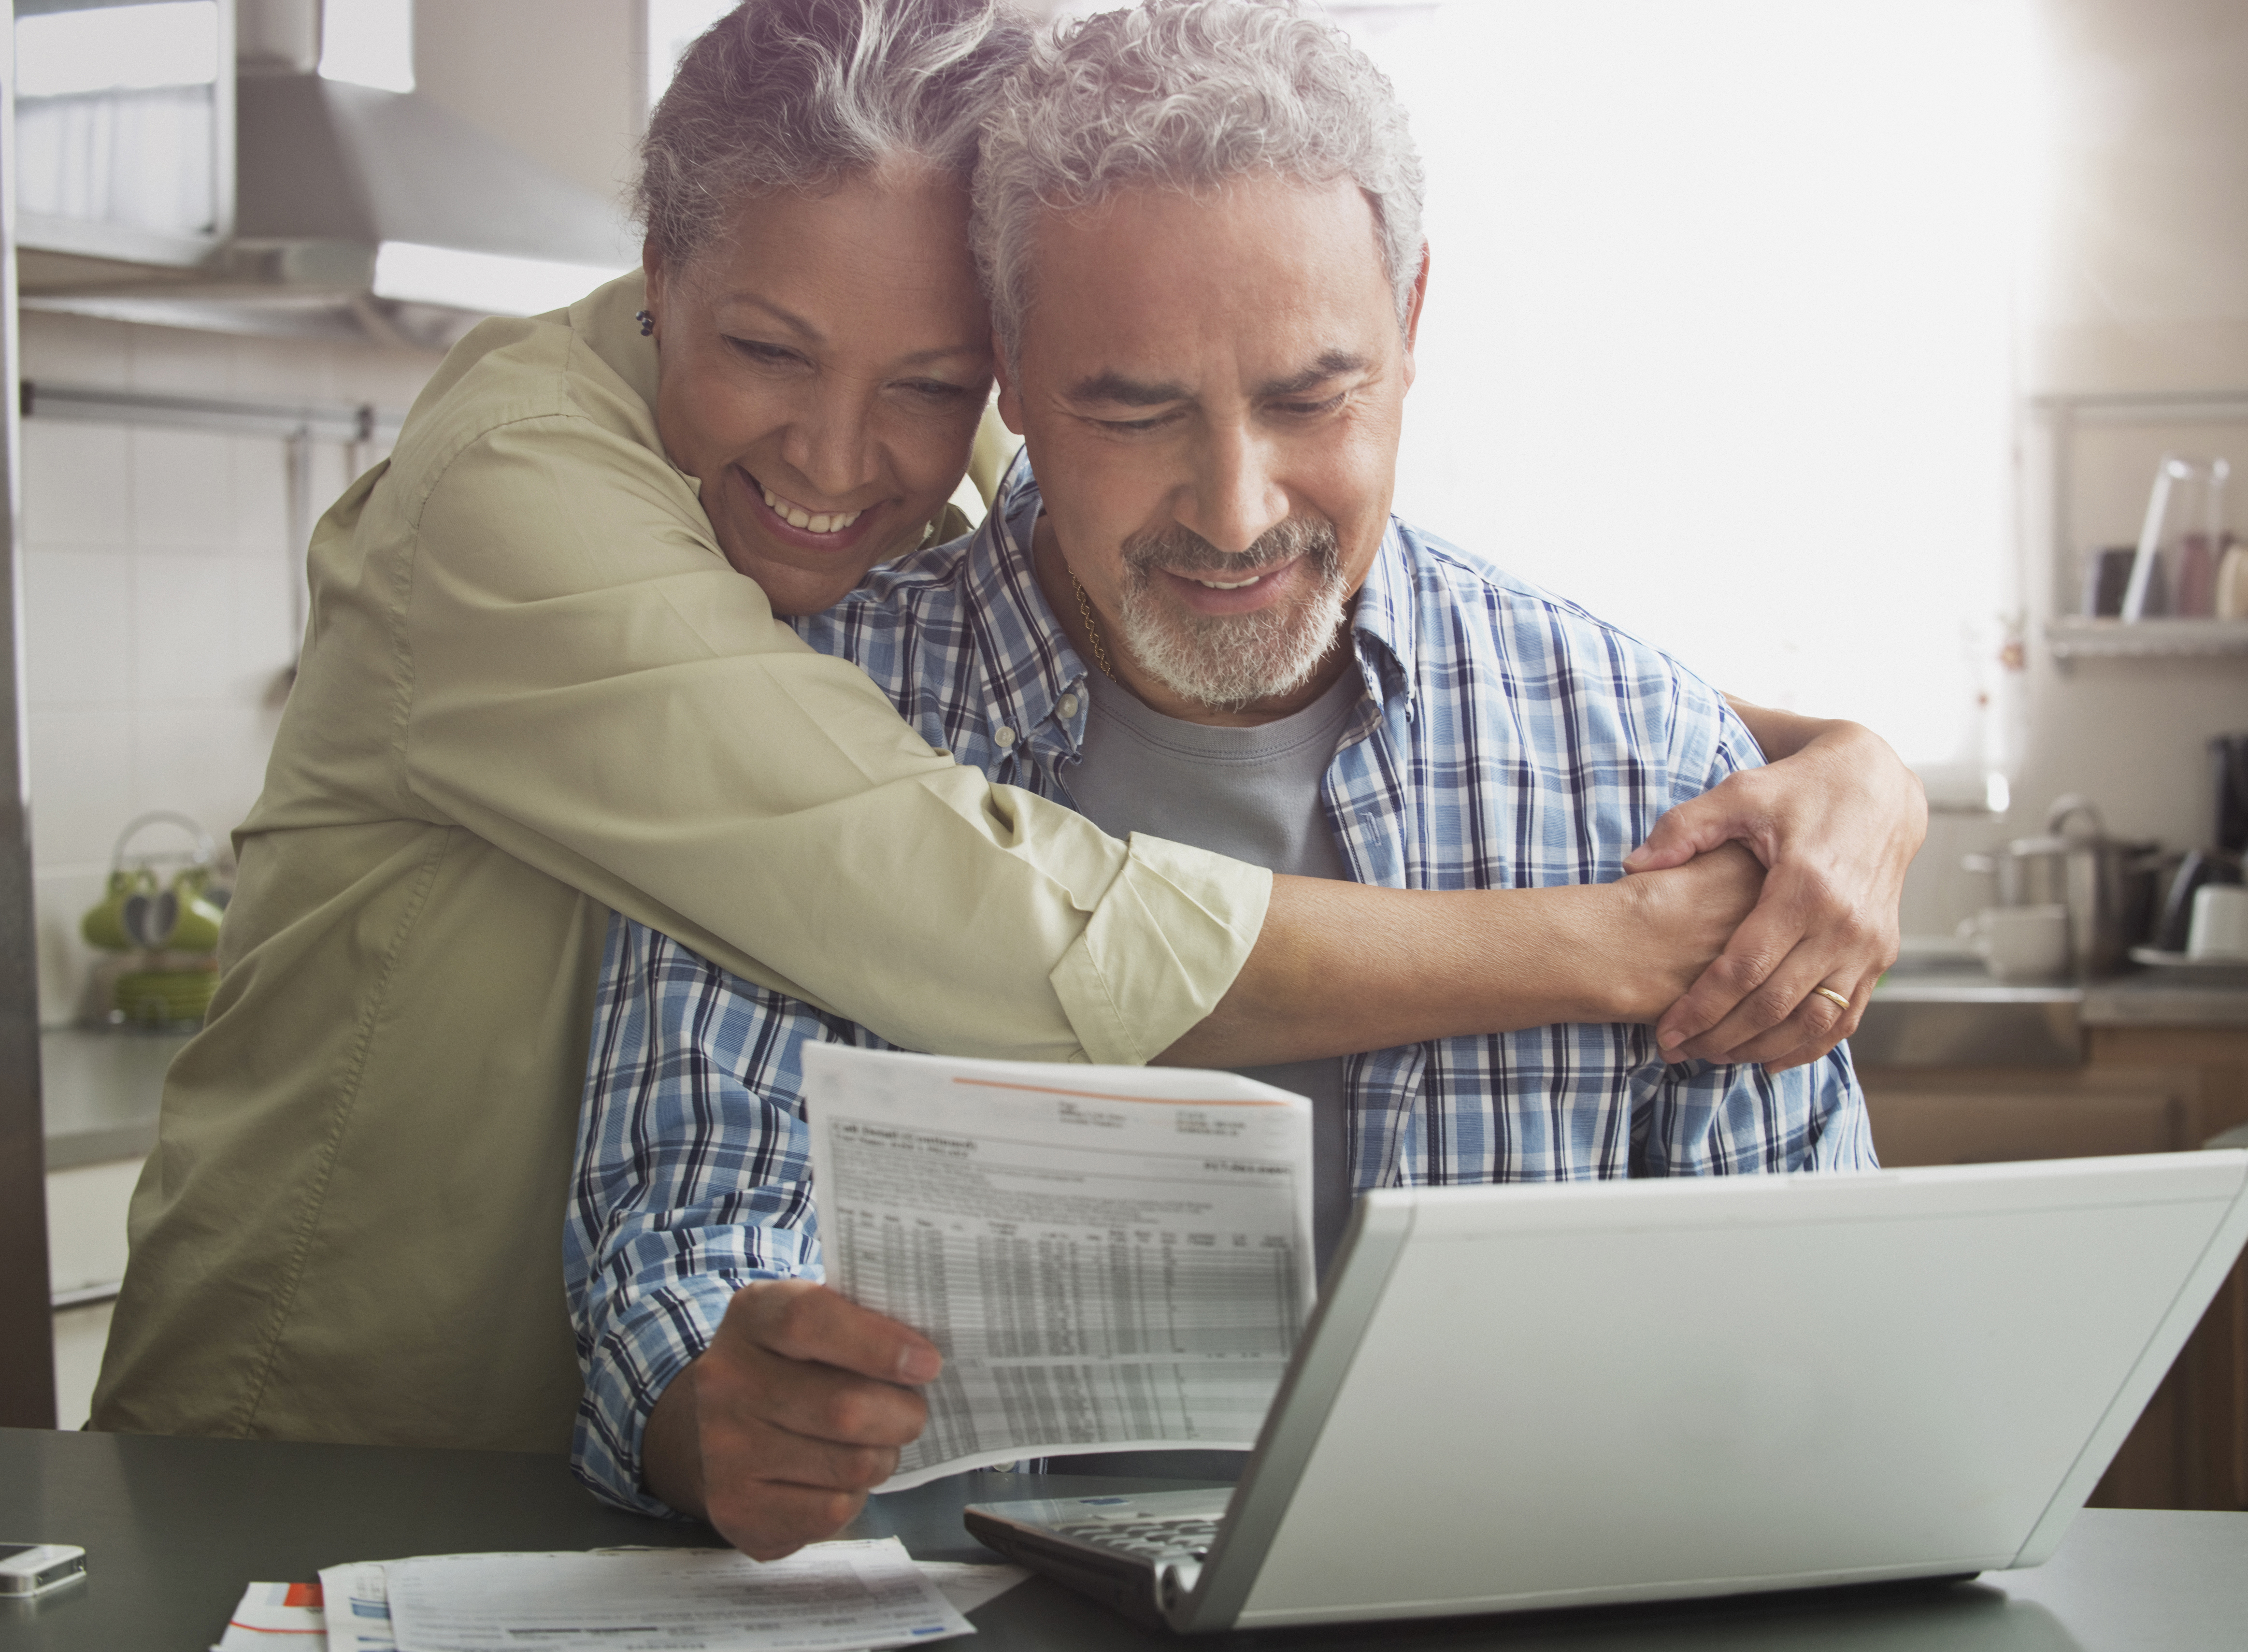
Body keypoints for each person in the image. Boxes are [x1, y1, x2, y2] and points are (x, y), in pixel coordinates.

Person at [91, 0, 1919, 1455]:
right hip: (322, 1413)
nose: (836, 458)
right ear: (658, 270)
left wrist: (1827, 758)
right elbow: (983, 922)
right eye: (766, 351)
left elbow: (1319, 591)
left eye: (928, 386)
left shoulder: (1595, 723)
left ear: (992, 377)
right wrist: (1610, 941)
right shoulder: (522, 504)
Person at [564, 0, 1874, 1560]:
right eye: (1134, 410)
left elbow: (1813, 1335)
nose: (1237, 511)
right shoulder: (806, 710)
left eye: (1312, 398)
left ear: (1412, 321)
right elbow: (670, 1247)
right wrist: (717, 1401)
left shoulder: (1640, 753)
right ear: (1012, 370)